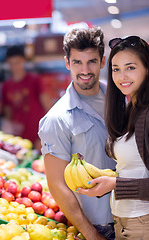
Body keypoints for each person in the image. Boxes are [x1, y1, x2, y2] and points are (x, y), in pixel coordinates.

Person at [77, 36, 149, 240]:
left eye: (130, 67)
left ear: (147, 69)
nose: (121, 76)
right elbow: (133, 169)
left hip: (146, 226)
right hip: (123, 224)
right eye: (116, 69)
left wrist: (115, 184)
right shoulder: (129, 110)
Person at [38, 27, 116, 240]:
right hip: (101, 225)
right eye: (77, 62)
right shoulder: (57, 119)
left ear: (102, 61)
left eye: (91, 61)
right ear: (67, 63)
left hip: (135, 214)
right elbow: (56, 185)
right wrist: (91, 235)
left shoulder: (120, 97)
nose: (85, 70)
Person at [0, 45, 51, 149]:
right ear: (7, 64)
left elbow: (48, 107)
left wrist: (45, 135)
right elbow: (8, 112)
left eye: (17, 62)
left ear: (23, 61)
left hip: (37, 134)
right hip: (17, 140)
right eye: (11, 63)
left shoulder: (35, 80)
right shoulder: (6, 86)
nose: (15, 67)